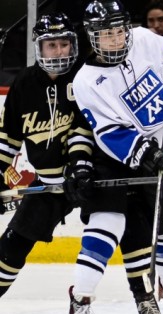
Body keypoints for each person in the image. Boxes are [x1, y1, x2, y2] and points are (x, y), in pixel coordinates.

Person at [68, 0, 163, 314]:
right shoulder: (86, 80)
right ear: (92, 37)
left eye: (118, 32)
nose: (115, 40)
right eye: (106, 34)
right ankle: (79, 303)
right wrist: (147, 154)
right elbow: (110, 134)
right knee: (108, 224)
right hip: (111, 158)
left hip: (155, 148)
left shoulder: (141, 38)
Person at [0, 13, 85, 299]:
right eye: (52, 45)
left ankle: (85, 301)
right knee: (11, 248)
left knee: (114, 232)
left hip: (90, 179)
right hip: (48, 184)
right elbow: (8, 140)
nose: (59, 51)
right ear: (40, 48)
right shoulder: (24, 84)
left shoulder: (86, 77)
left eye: (64, 44)